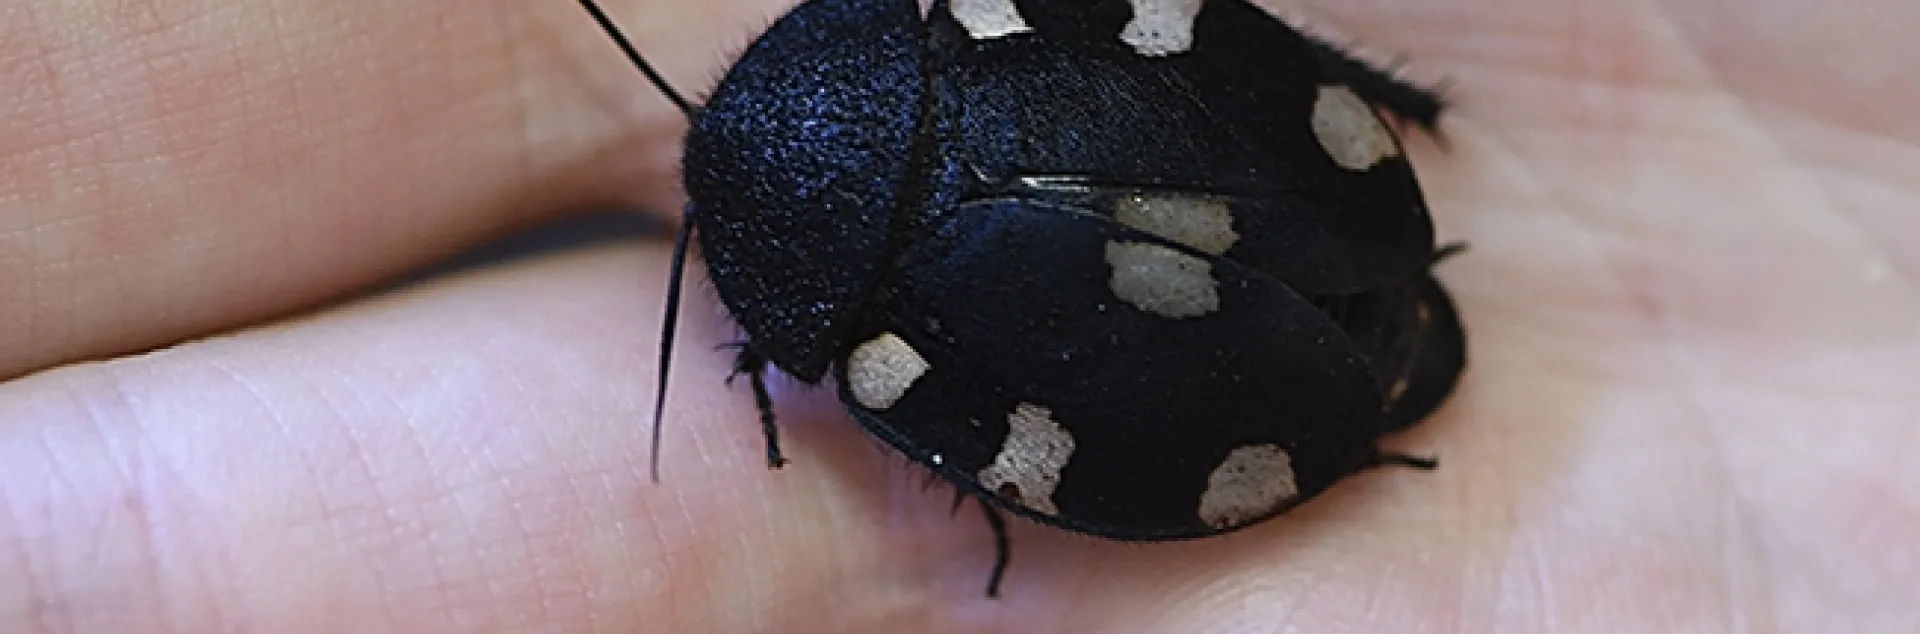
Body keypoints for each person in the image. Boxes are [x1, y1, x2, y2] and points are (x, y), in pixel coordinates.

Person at [2, 0, 1914, 631]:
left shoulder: (857, 337)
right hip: (1321, 220)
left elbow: (989, 444)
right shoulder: (940, 41)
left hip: (1292, 334)